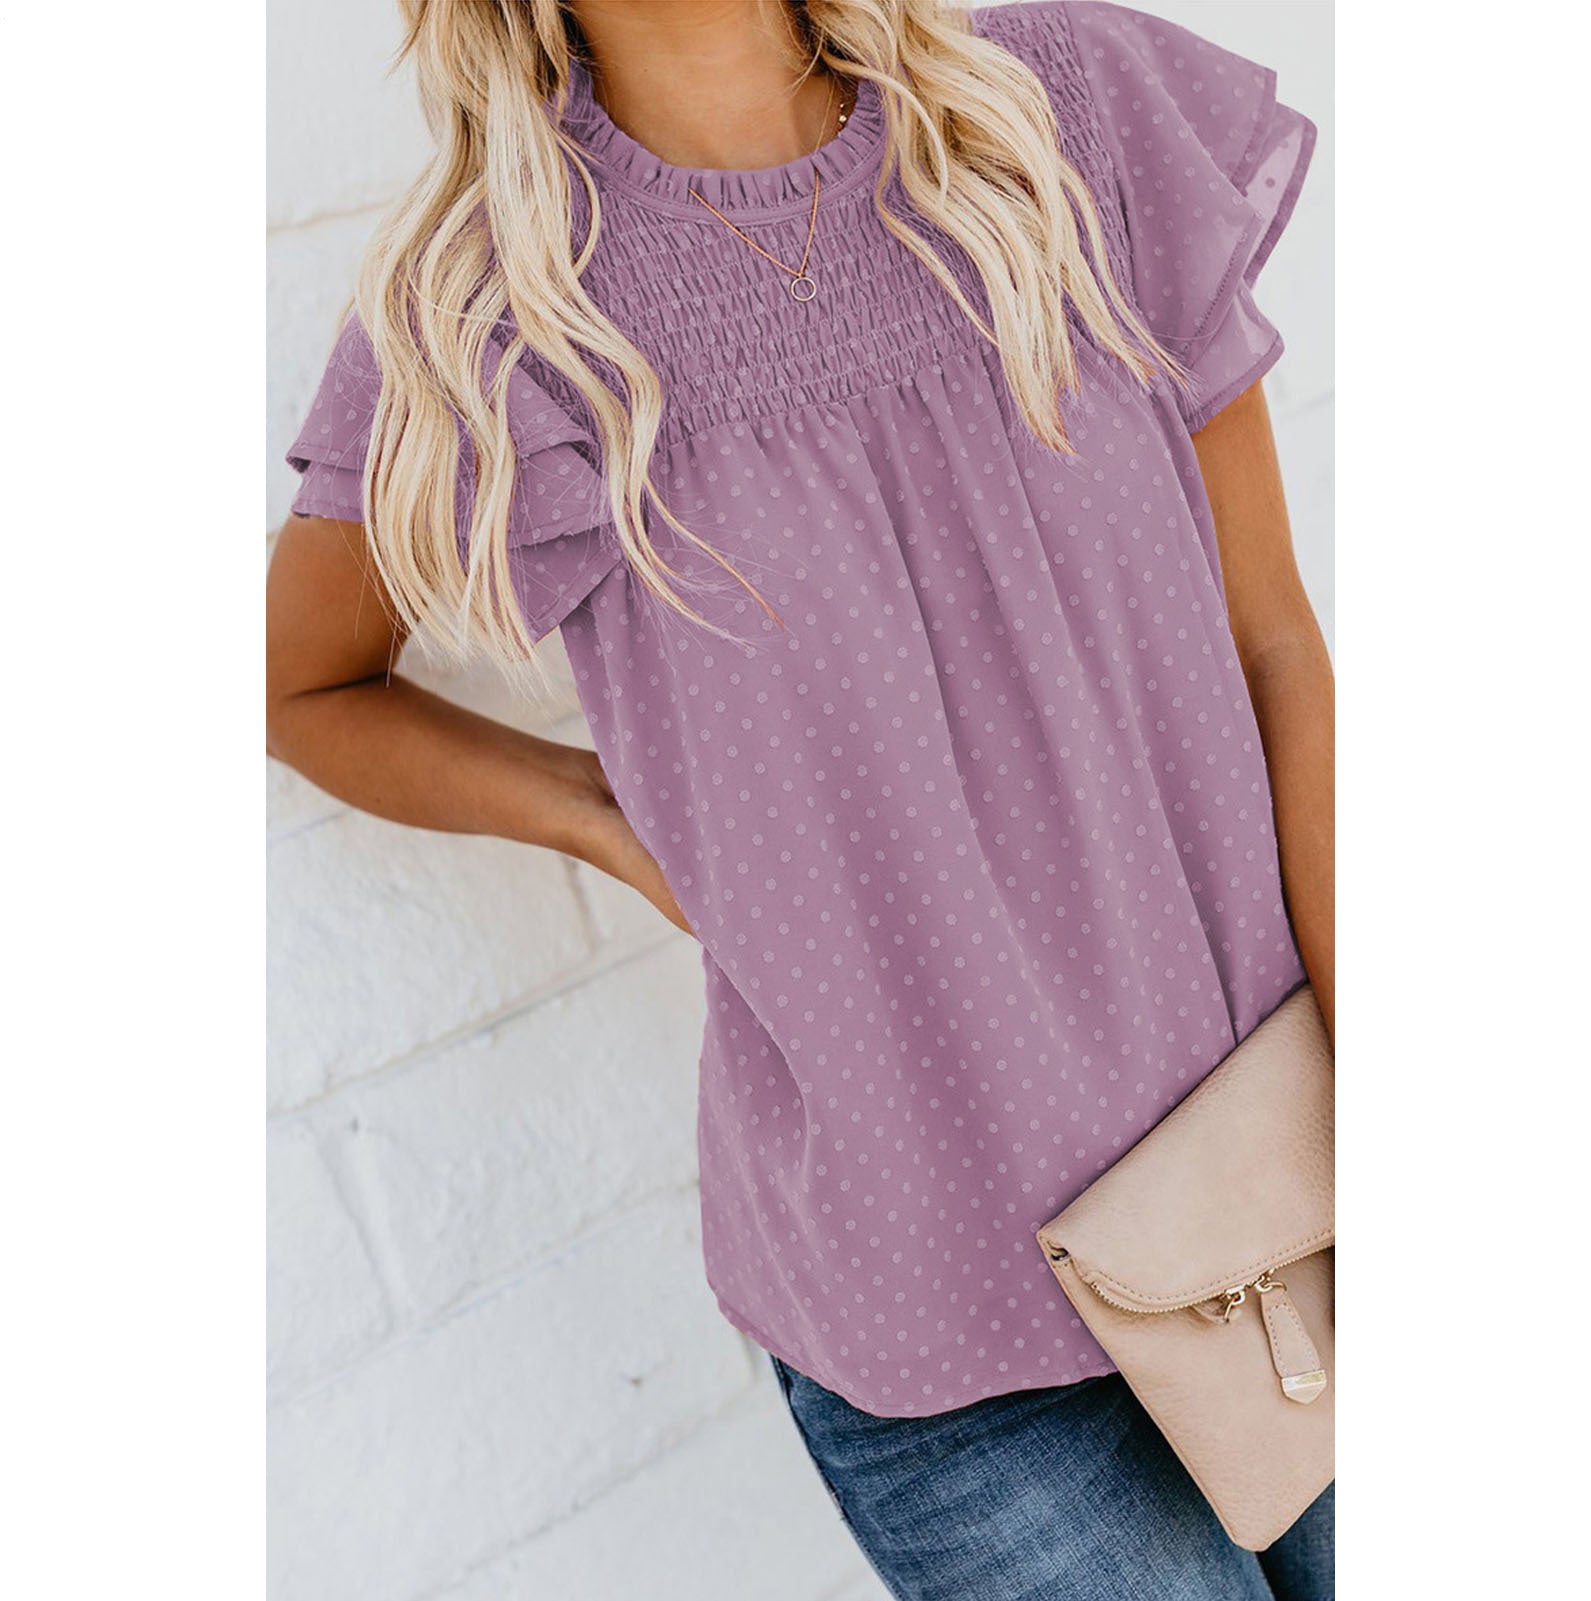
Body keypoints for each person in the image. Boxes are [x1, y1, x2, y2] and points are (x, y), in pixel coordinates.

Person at [265, 1, 1334, 1595]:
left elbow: (1274, 649)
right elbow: (298, 684)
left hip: (1289, 1183)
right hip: (942, 1327)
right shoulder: (493, 313)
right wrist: (607, 821)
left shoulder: (1066, 116)